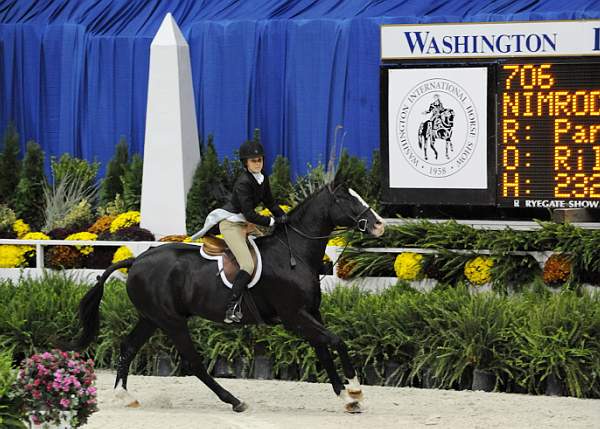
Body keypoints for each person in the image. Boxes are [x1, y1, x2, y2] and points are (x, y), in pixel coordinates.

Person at [191, 140, 287, 323]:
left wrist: (285, 217)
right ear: (246, 163)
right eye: (253, 161)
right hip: (232, 225)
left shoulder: (263, 178)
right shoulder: (243, 182)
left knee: (268, 254)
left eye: (259, 160)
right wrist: (272, 221)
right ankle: (231, 306)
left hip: (246, 223)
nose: (257, 163)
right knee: (248, 265)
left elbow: (271, 203)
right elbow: (250, 214)